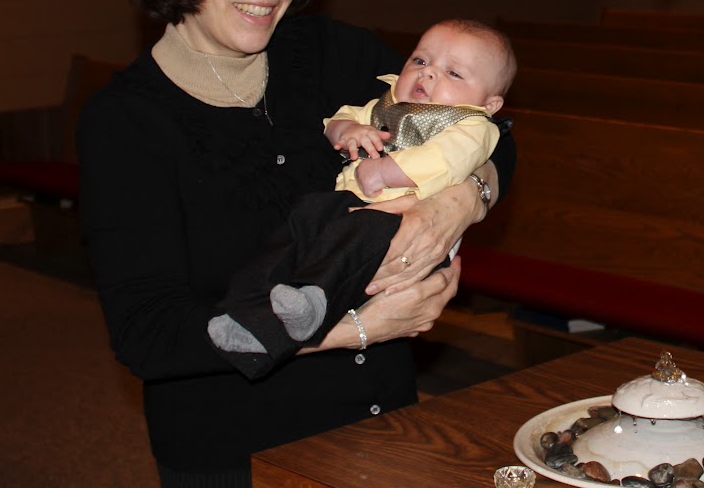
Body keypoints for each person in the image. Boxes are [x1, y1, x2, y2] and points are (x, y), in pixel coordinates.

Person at [77, 0, 513, 488]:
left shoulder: (330, 54)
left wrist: (456, 204)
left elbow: (493, 130)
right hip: (236, 460)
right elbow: (148, 335)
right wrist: (352, 328)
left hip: (381, 428)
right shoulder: (126, 123)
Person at [206, 20, 516, 378]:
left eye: (453, 73)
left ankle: (314, 301)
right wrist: (349, 129)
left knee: (357, 236)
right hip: (348, 207)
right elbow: (337, 120)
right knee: (301, 222)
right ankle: (245, 310)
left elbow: (445, 161)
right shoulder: (386, 104)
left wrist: (387, 171)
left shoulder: (473, 126)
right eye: (420, 60)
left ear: (490, 103)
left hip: (401, 226)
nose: (428, 73)